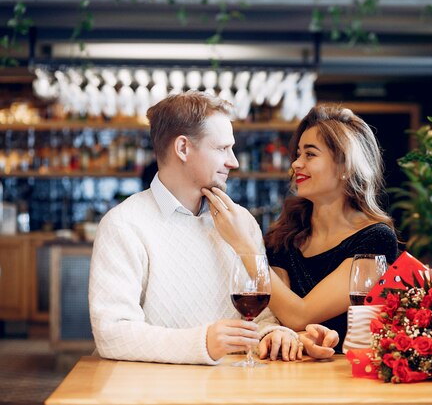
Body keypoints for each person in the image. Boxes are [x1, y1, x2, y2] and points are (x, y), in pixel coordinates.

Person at [89, 91, 337, 365]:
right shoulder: (124, 224)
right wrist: (202, 342)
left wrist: (274, 333)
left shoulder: (240, 221)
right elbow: (111, 334)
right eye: (222, 149)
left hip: (230, 389)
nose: (234, 161)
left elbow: (259, 314)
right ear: (183, 148)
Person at [204, 104, 398, 351]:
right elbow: (281, 319)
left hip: (348, 375)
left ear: (345, 166)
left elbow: (300, 315)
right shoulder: (287, 234)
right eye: (297, 154)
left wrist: (244, 246)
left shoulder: (376, 239)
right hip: (292, 371)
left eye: (310, 154)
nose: (296, 164)